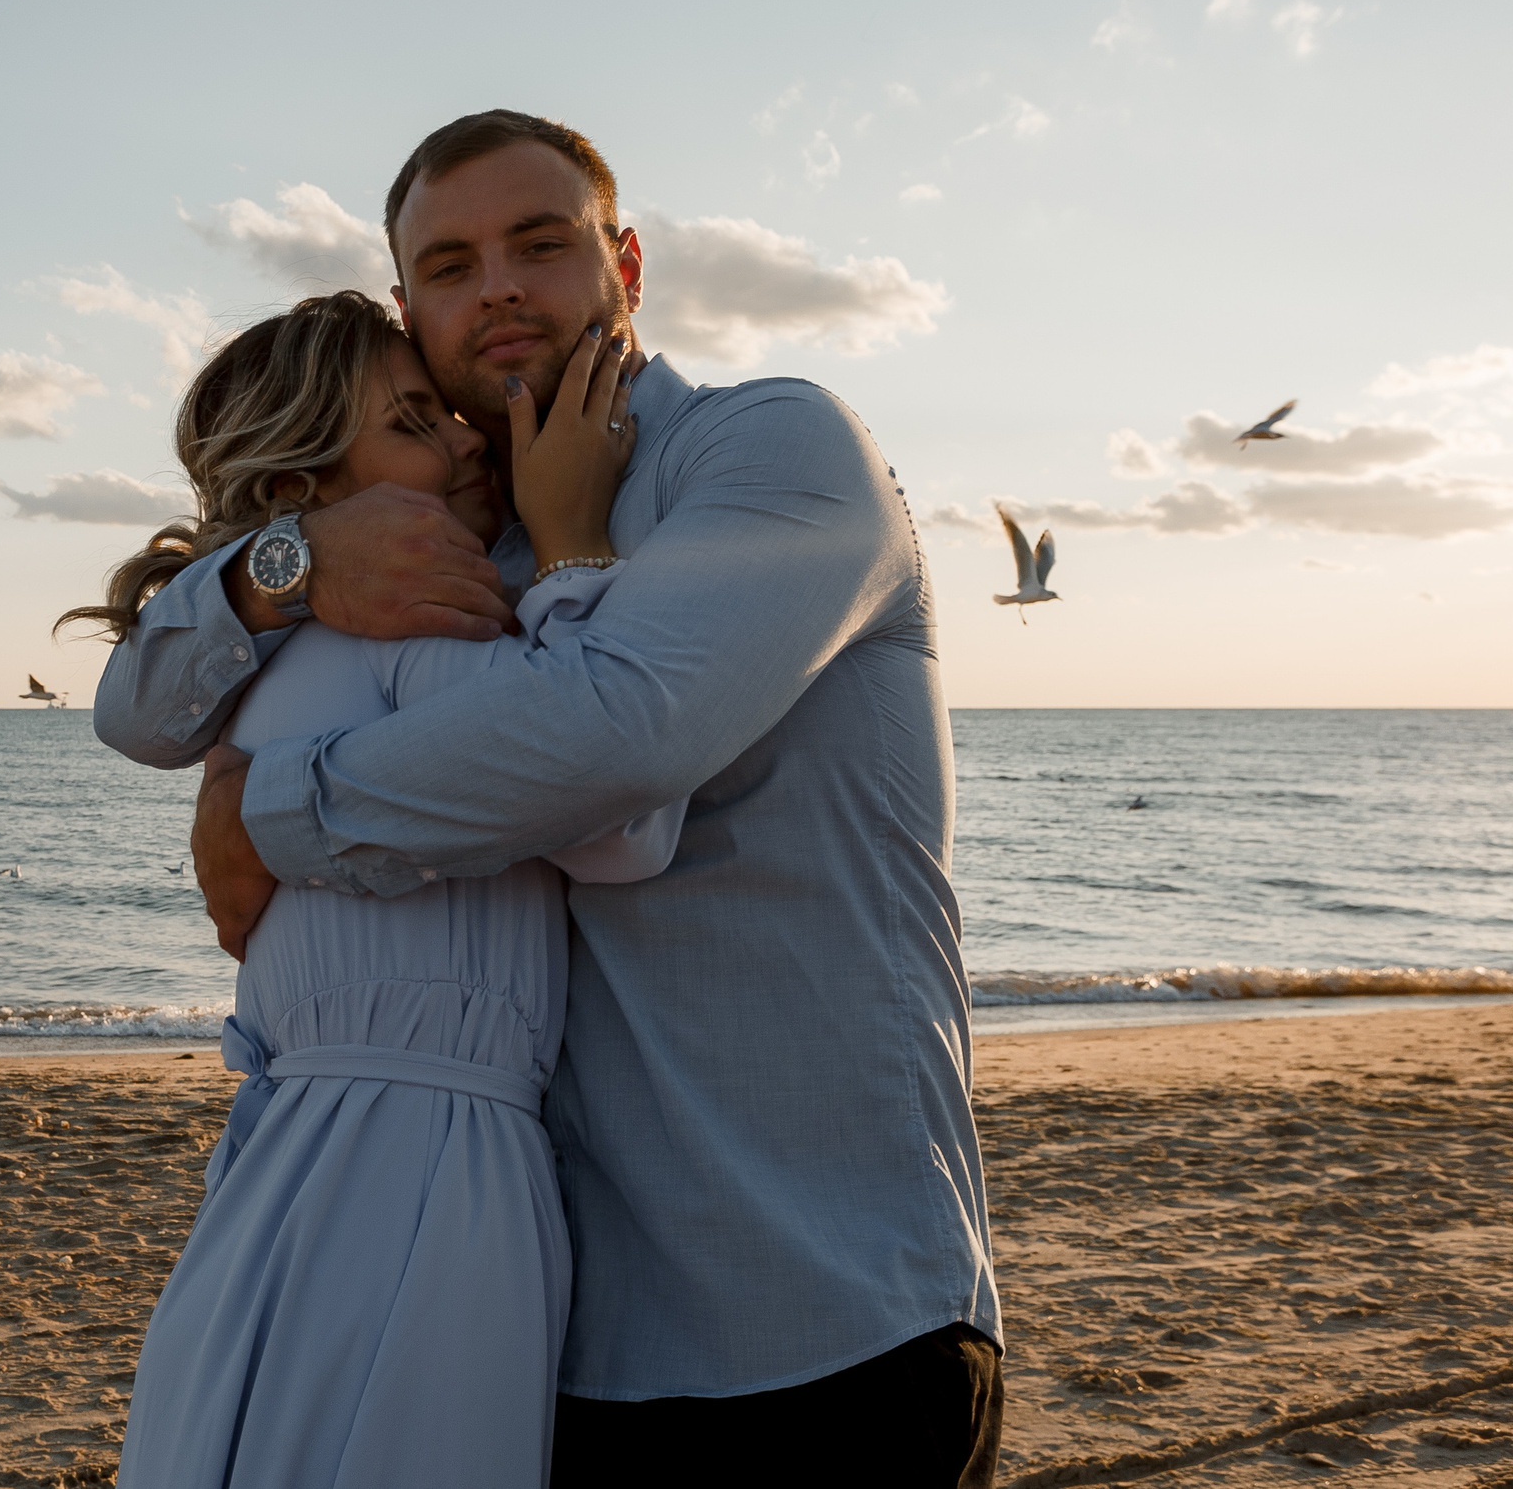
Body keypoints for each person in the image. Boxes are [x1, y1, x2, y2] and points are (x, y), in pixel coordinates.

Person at [94, 111, 1003, 1486]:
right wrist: (285, 556)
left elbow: (613, 733)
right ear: (410, 309)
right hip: (563, 1332)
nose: (499, 288)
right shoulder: (459, 540)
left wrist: (267, 812)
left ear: (624, 261)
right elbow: (138, 706)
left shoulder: (768, 451)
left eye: (540, 243)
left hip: (818, 1312)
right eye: (450, 265)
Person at [65, 291, 684, 1487]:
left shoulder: (272, 660)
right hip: (423, 1163)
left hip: (303, 1149)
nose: (466, 439)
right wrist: (573, 554)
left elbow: (133, 711)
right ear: (305, 482)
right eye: (414, 422)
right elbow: (626, 829)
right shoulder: (430, 628)